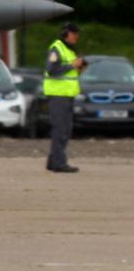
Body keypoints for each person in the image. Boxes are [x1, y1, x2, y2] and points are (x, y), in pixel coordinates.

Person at [44, 22, 86, 173]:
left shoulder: (69, 50)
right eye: (74, 33)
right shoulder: (56, 48)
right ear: (65, 34)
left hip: (66, 95)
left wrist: (79, 67)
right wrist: (72, 65)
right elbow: (52, 70)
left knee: (65, 130)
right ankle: (59, 163)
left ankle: (53, 162)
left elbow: (69, 73)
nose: (76, 36)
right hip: (58, 95)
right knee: (60, 129)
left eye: (77, 33)